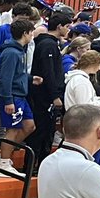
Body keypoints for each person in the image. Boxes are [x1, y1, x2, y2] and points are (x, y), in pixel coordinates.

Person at [0, 19, 37, 177]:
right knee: (13, 128)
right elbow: (5, 78)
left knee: (29, 126)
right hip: (12, 96)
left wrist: (31, 78)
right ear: (25, 33)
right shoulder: (11, 52)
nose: (32, 34)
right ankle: (4, 163)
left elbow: (17, 74)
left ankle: (3, 154)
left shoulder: (19, 50)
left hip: (20, 95)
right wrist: (8, 100)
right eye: (31, 31)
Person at [27, 11, 71, 169]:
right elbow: (48, 72)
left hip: (47, 95)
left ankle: (40, 166)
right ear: (59, 27)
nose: (69, 29)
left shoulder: (52, 44)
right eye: (67, 26)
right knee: (41, 131)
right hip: (44, 97)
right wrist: (54, 96)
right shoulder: (48, 45)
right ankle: (31, 167)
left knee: (47, 133)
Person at [63, 51, 100, 166]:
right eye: (99, 65)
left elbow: (87, 101)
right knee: (99, 156)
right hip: (84, 124)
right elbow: (85, 108)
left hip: (81, 122)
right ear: (93, 64)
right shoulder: (81, 81)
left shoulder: (80, 80)